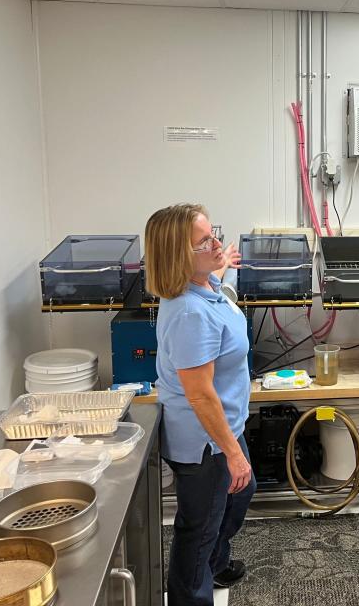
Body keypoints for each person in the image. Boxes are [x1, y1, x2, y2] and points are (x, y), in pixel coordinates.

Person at [144, 204, 254, 606]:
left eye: (214, 234)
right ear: (178, 256)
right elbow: (200, 394)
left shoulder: (202, 288)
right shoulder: (189, 314)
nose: (217, 244)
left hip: (226, 429)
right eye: (204, 241)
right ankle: (192, 592)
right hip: (205, 442)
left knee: (241, 493)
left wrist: (222, 267)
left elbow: (217, 295)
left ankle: (214, 561)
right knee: (200, 525)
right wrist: (232, 453)